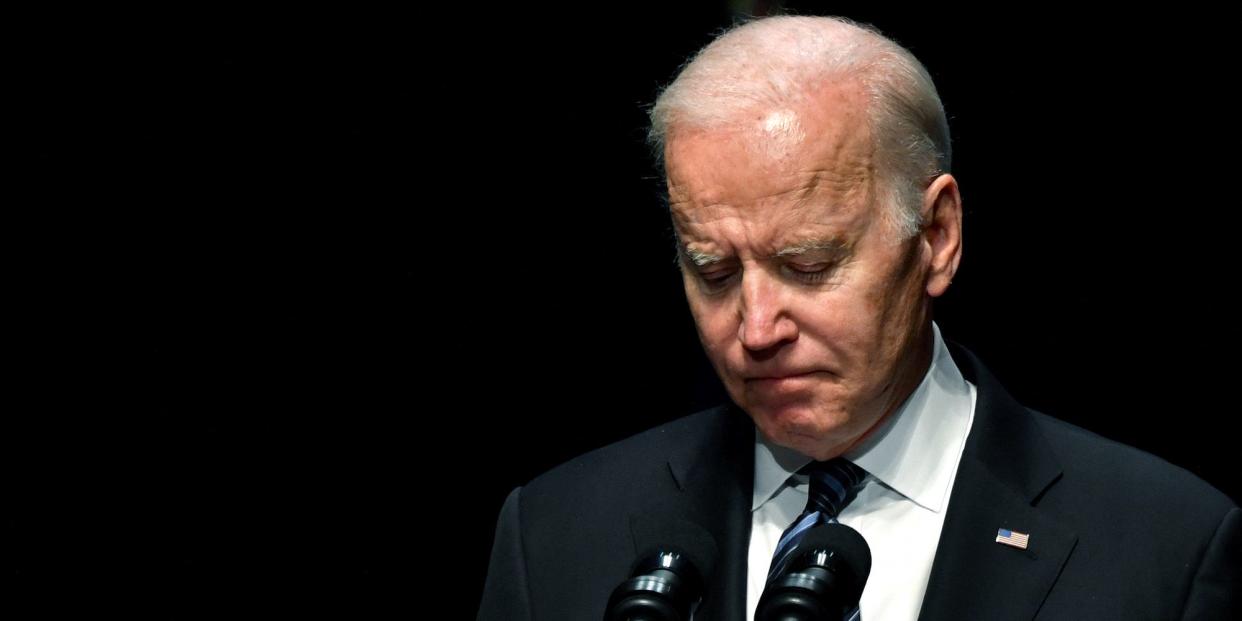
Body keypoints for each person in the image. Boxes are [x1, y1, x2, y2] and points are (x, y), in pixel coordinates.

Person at [477, 15, 1239, 620]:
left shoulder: (1162, 547)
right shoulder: (553, 535)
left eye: (809, 266)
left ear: (936, 236)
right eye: (713, 271)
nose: (756, 328)